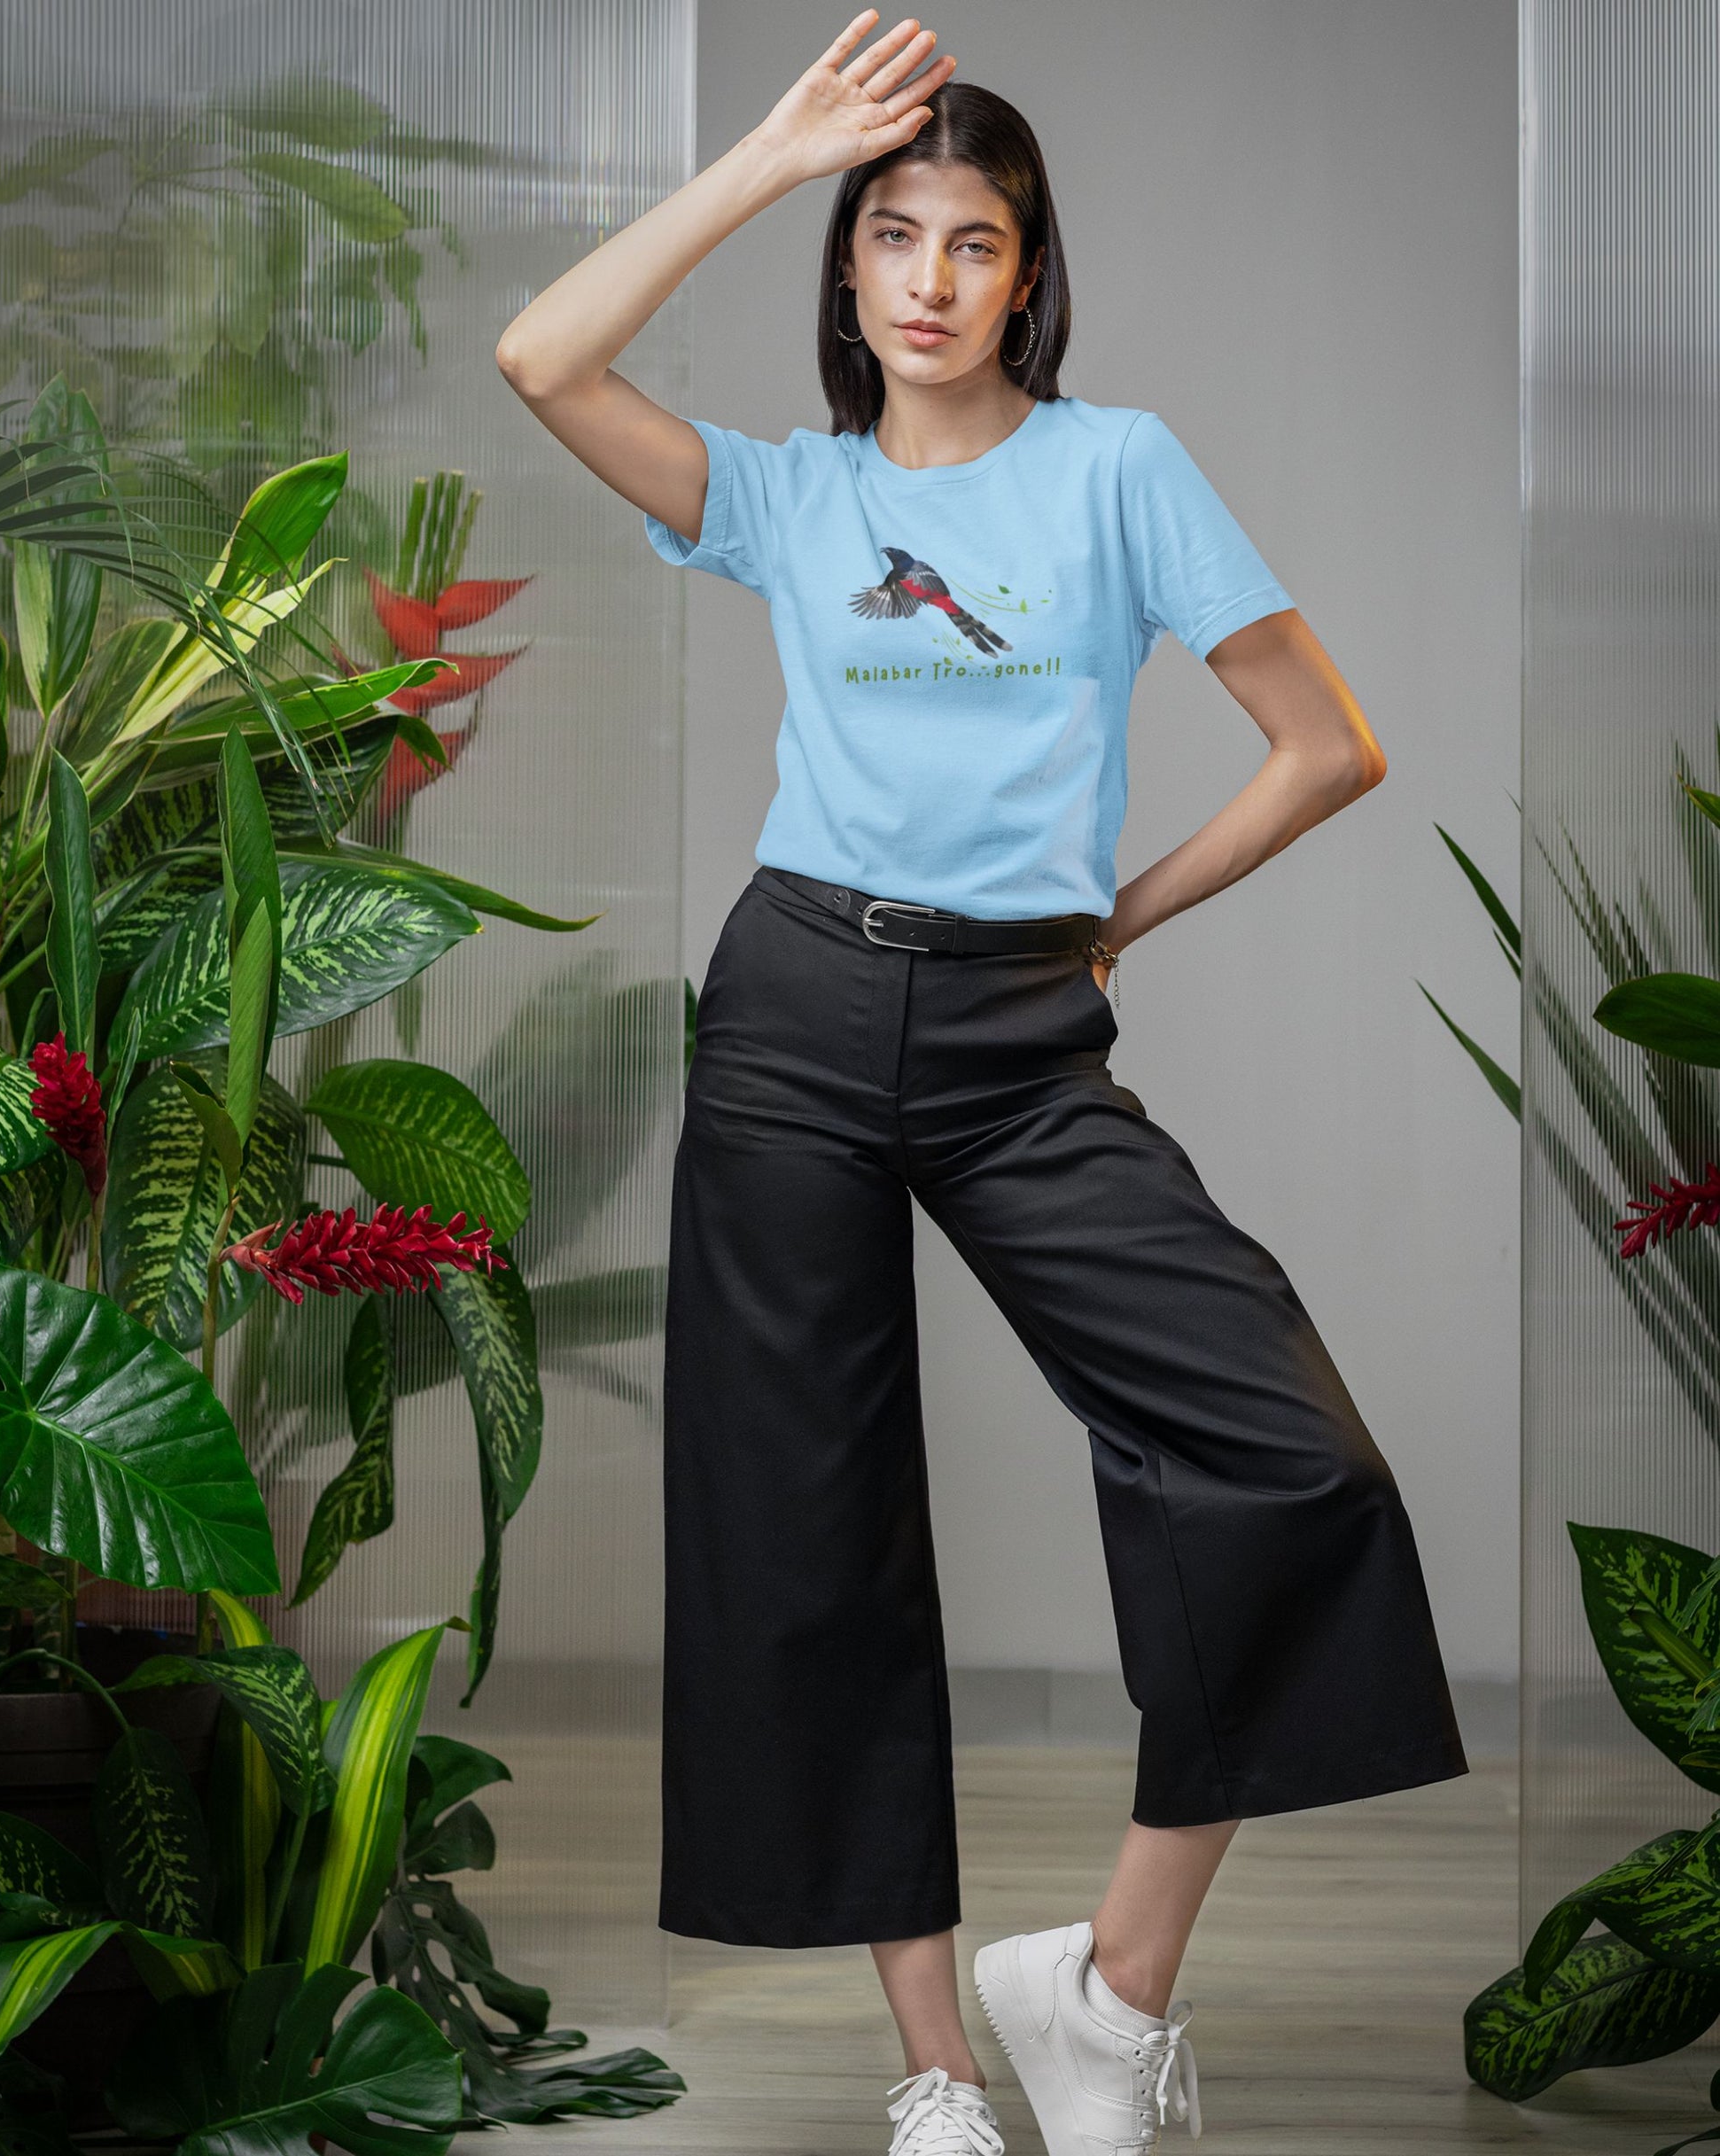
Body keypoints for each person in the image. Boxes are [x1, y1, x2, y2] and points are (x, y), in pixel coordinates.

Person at [496, 13, 1468, 2152]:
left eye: (973, 241)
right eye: (889, 235)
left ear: (1028, 276)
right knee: (811, 1532)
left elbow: (1327, 746)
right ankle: (934, 2066)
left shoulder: (1117, 468)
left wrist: (1117, 916)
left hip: (1024, 1038)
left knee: (1289, 1459)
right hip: (792, 1016)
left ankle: (1101, 1990)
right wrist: (770, 156)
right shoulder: (791, 493)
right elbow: (542, 357)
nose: (929, 278)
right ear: (844, 269)